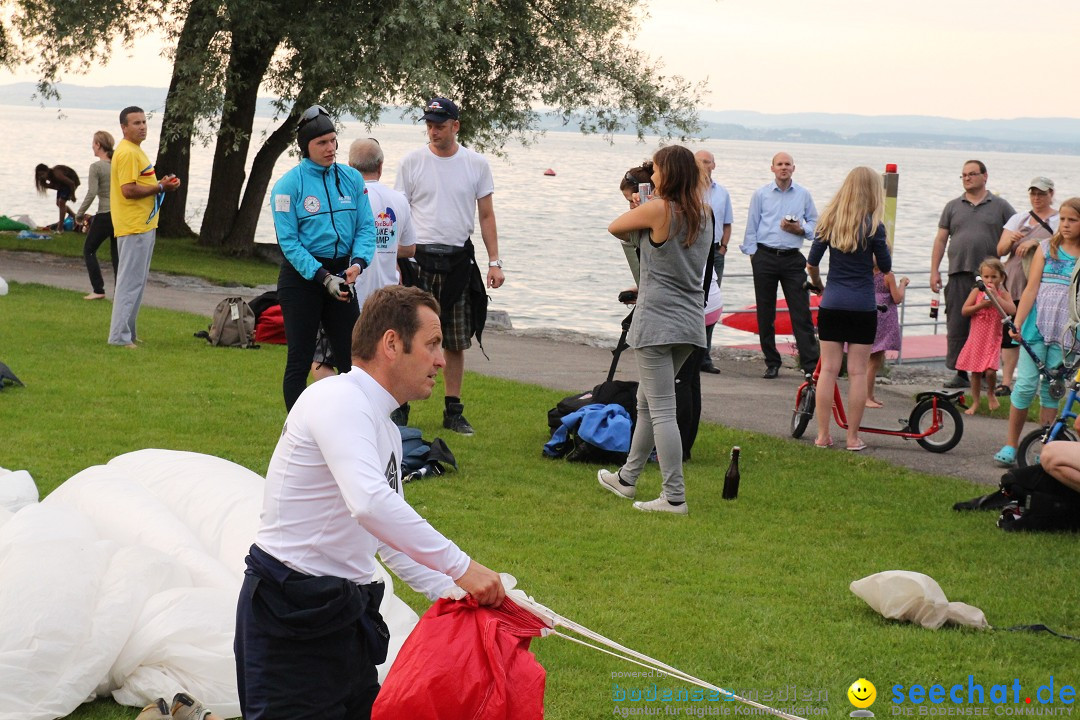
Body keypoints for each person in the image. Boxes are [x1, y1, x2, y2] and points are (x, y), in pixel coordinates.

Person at [234, 285, 505, 719]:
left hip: (344, 616)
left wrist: (459, 593)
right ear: (392, 344)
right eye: (432, 345)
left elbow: (388, 540)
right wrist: (463, 569)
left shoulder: (386, 429)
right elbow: (369, 503)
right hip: (289, 617)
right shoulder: (338, 399)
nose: (441, 359)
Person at [597, 145, 713, 514]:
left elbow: (615, 228)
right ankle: (628, 478)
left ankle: (674, 496)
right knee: (646, 401)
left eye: (657, 169)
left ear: (669, 174)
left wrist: (640, 211)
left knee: (662, 409)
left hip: (657, 321)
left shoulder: (659, 207)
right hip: (690, 321)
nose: (653, 175)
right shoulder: (704, 213)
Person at [395, 97, 503, 436]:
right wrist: (395, 261)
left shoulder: (476, 164)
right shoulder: (412, 162)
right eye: (428, 124)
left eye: (440, 125)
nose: (433, 131)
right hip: (418, 260)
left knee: (455, 340)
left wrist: (495, 262)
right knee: (410, 335)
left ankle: (453, 410)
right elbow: (400, 213)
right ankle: (401, 405)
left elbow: (486, 215)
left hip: (458, 260)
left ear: (456, 126)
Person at [270, 105, 376, 410]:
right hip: (303, 278)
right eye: (322, 143)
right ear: (306, 148)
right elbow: (289, 243)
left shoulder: (352, 179)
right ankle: (297, 430)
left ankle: (358, 419)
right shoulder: (288, 186)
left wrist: (358, 264)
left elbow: (366, 227)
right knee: (300, 359)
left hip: (342, 273)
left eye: (333, 140)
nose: (330, 148)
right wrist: (322, 277)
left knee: (354, 358)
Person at [310, 138, 416, 385]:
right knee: (381, 358)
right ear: (380, 166)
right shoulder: (399, 201)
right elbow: (410, 247)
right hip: (387, 294)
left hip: (350, 292)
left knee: (322, 358)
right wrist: (385, 247)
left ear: (348, 166)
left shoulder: (346, 200)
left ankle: (340, 403)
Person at [805, 166, 891, 451]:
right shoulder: (874, 226)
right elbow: (886, 266)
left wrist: (819, 285)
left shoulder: (828, 221)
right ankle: (852, 438)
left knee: (828, 370)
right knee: (856, 372)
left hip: (832, 303)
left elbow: (812, 264)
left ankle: (822, 435)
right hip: (862, 306)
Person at [994, 197, 1080, 468]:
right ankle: (1011, 443)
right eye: (1063, 219)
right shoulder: (1046, 249)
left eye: (1072, 220)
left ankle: (1045, 444)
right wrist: (1017, 322)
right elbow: (1031, 289)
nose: (1065, 225)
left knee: (1052, 388)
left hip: (1067, 333)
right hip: (1037, 327)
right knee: (1025, 384)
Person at [929, 160, 1016, 389]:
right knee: (957, 321)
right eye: (964, 175)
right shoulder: (952, 206)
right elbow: (940, 239)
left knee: (993, 325)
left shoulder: (1000, 206)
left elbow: (1016, 232)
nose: (967, 178)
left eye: (972, 174)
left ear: (985, 176)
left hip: (990, 277)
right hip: (958, 272)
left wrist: (1012, 260)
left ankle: (990, 374)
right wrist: (934, 270)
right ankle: (959, 372)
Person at [740, 151, 819, 378]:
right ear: (772, 168)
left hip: (793, 258)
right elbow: (751, 226)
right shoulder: (761, 194)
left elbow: (815, 222)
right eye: (779, 164)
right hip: (765, 256)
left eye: (787, 164)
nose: (784, 168)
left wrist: (801, 229)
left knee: (801, 312)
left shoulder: (803, 194)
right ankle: (772, 362)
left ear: (794, 168)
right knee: (765, 313)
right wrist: (753, 256)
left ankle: (810, 365)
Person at [108, 106, 182, 348]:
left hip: (144, 225)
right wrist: (161, 188)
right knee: (129, 283)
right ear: (123, 127)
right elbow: (128, 190)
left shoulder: (136, 151)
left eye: (144, 122)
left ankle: (128, 332)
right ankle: (119, 337)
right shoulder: (127, 153)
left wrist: (162, 183)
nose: (142, 127)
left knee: (136, 282)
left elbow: (141, 183)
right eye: (136, 123)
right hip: (133, 227)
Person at [995, 177, 1058, 397]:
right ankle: (1006, 381)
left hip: (1041, 284)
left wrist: (1038, 243)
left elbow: (1064, 247)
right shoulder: (1018, 218)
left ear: (1051, 193)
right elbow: (1000, 250)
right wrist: (1011, 239)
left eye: (1041, 194)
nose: (1037, 198)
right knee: (1011, 331)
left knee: (1036, 332)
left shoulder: (1059, 220)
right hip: (1014, 279)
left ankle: (1040, 381)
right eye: (1033, 194)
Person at [955, 258, 1014, 415]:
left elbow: (1012, 310)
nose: (990, 280)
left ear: (1001, 278)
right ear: (981, 277)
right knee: (975, 371)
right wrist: (981, 305)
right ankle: (975, 402)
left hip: (993, 339)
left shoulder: (1004, 294)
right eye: (986, 277)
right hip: (976, 339)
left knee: (990, 371)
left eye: (994, 277)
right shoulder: (977, 291)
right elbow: (965, 310)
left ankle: (991, 393)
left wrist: (997, 299)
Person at [695, 149, 732, 374]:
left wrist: (724, 246)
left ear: (713, 165)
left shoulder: (722, 193)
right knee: (693, 303)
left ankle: (704, 357)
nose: (704, 165)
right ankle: (690, 353)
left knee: (711, 304)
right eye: (700, 161)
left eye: (707, 162)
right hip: (693, 251)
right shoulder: (687, 190)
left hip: (715, 251)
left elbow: (727, 223)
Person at [75, 131, 116, 300]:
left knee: (89, 250)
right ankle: (121, 293)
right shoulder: (117, 164)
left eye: (93, 143)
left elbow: (92, 193)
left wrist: (79, 214)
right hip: (119, 215)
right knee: (117, 255)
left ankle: (98, 289)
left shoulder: (96, 167)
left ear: (98, 145)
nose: (92, 146)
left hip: (105, 214)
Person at [866, 266, 908, 408]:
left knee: (872, 360)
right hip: (883, 318)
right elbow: (897, 298)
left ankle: (870, 395)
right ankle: (866, 397)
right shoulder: (888, 275)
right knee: (874, 362)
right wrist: (902, 284)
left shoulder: (866, 271)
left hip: (869, 313)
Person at [33, 163, 80, 231]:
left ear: (47, 171)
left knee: (61, 202)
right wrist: (48, 186)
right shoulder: (50, 178)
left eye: (43, 174)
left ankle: (60, 227)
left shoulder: (57, 174)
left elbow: (71, 183)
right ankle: (74, 217)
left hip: (72, 182)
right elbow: (58, 187)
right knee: (59, 203)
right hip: (64, 185)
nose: (41, 177)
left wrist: (73, 195)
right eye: (39, 175)